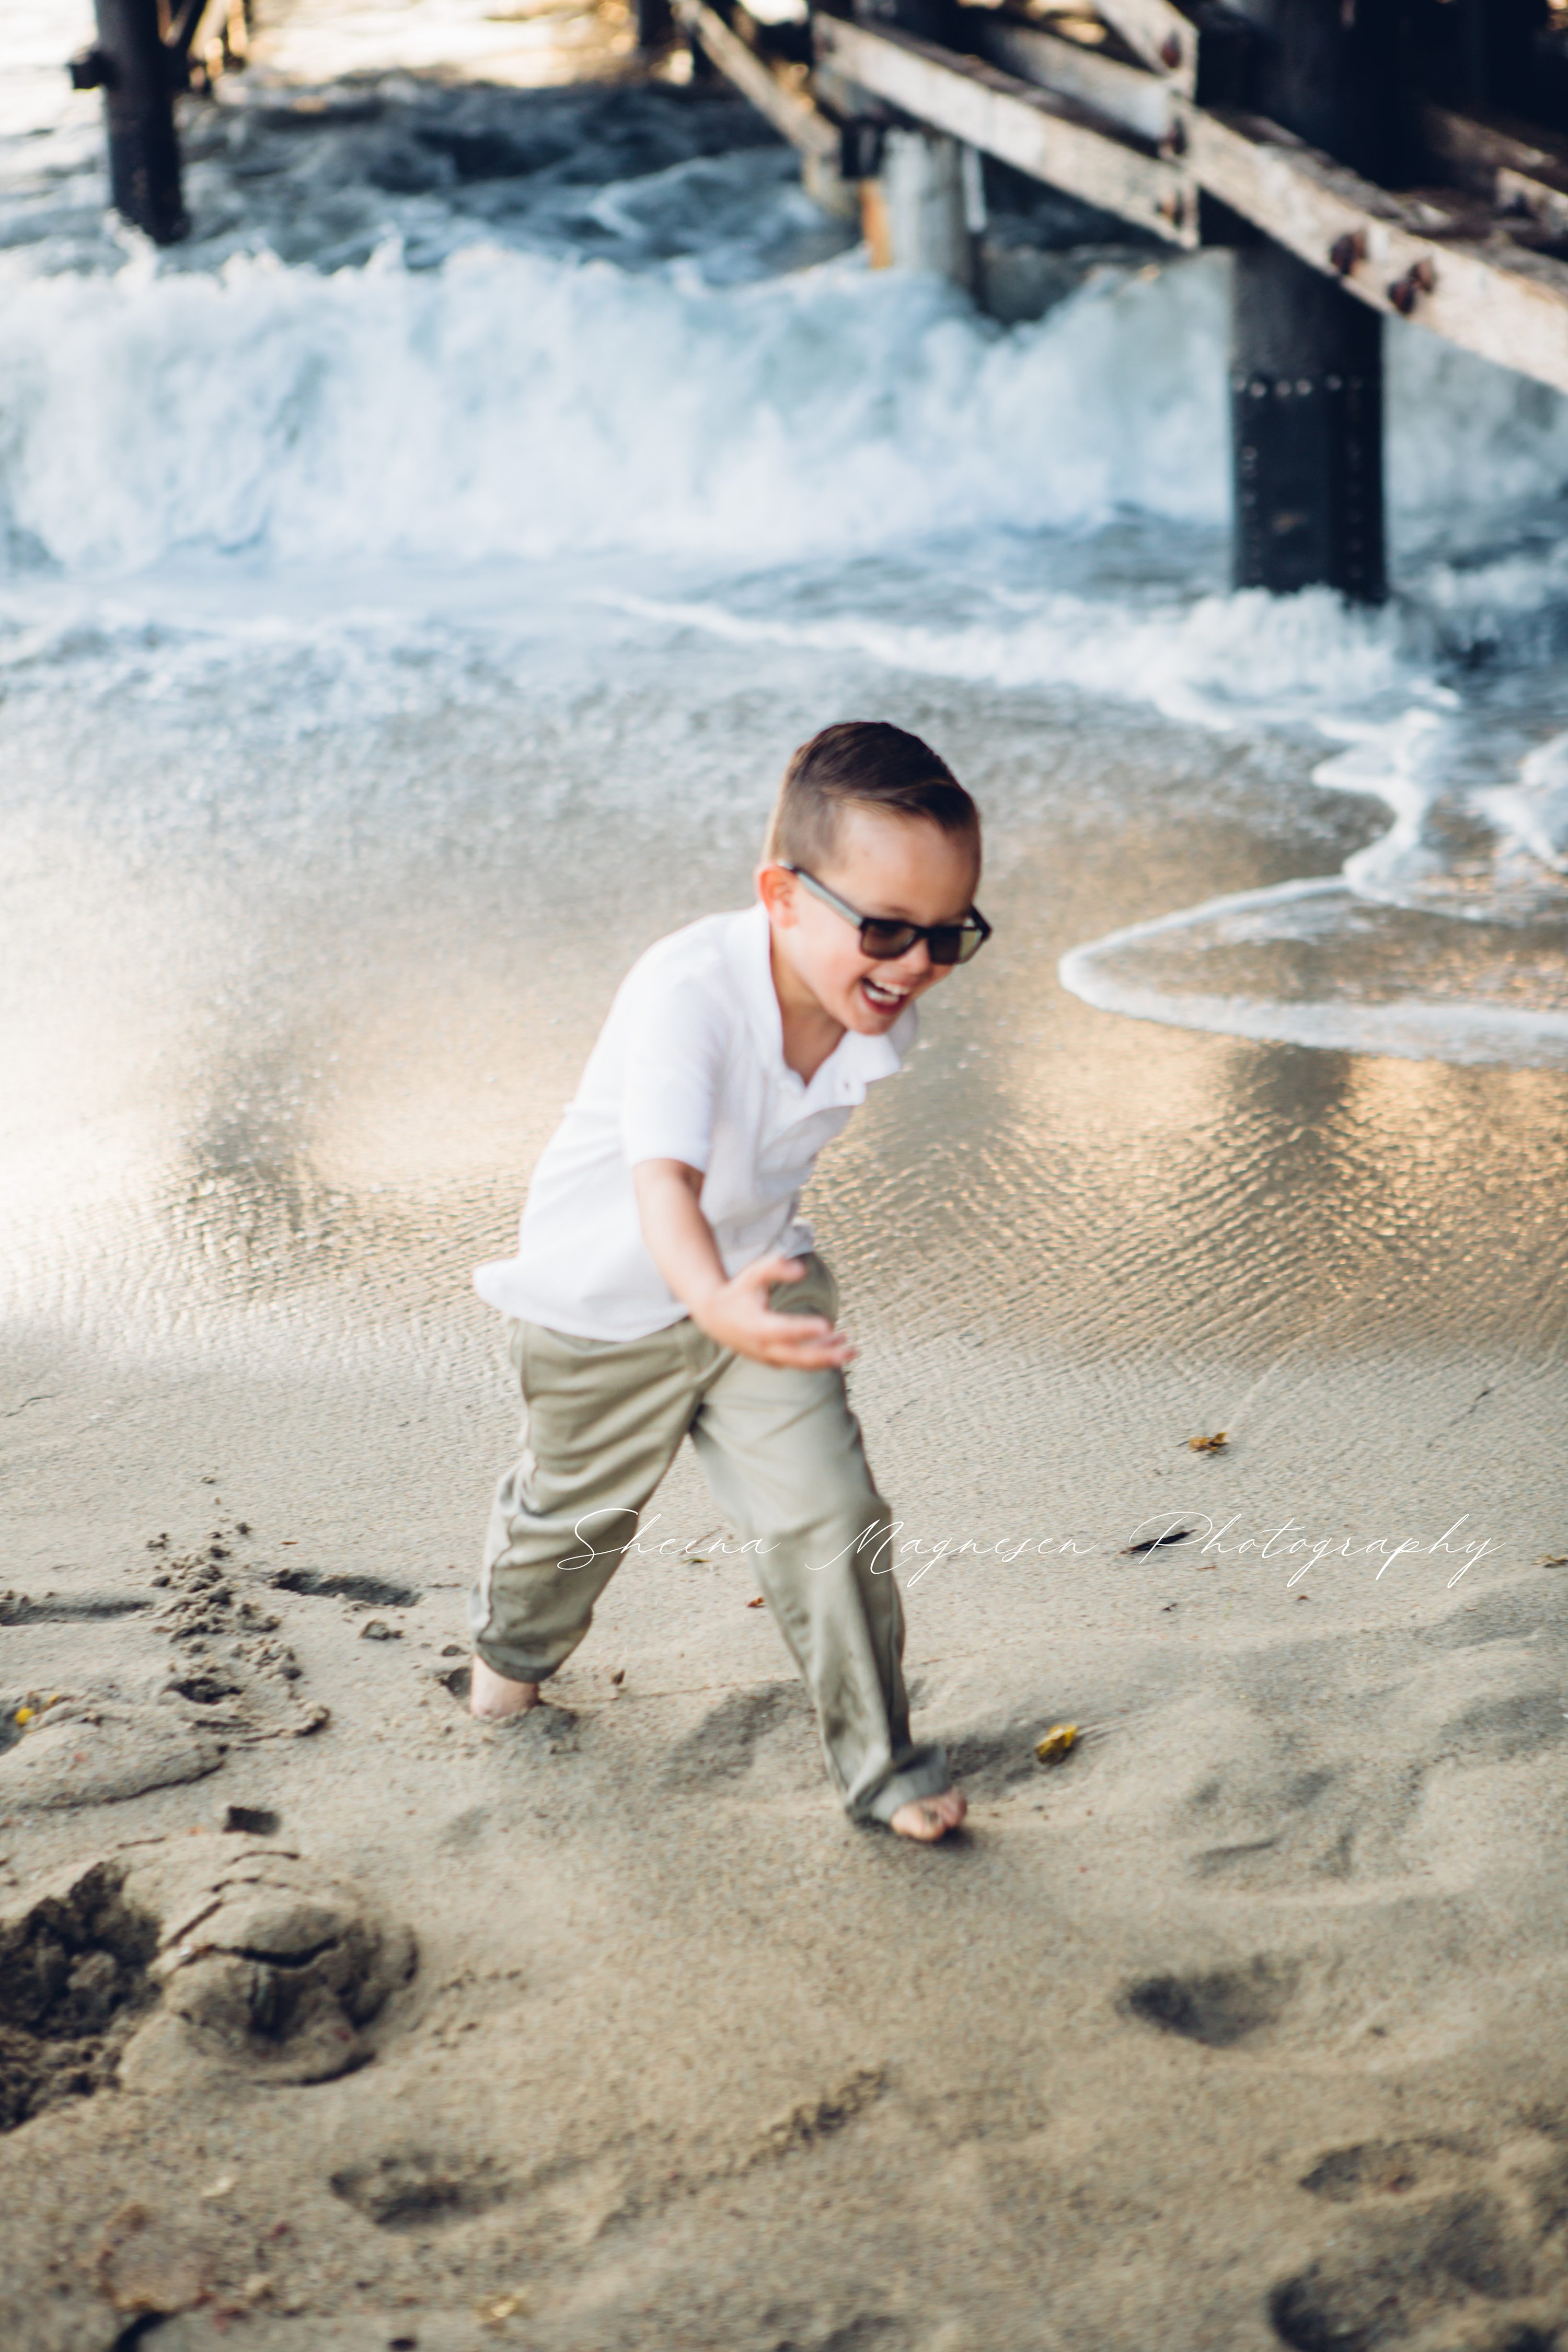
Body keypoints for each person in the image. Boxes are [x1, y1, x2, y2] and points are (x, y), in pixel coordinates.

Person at [467, 720, 990, 1841]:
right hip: (606, 1305)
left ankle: (885, 1767)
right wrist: (708, 1304)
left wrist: (747, 1299)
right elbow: (665, 1182)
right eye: (889, 929)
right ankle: (508, 1659)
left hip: (759, 1283)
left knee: (833, 1517)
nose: (916, 966)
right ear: (784, 895)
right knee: (577, 1524)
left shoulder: (869, 1006)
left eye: (950, 937)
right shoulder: (686, 991)